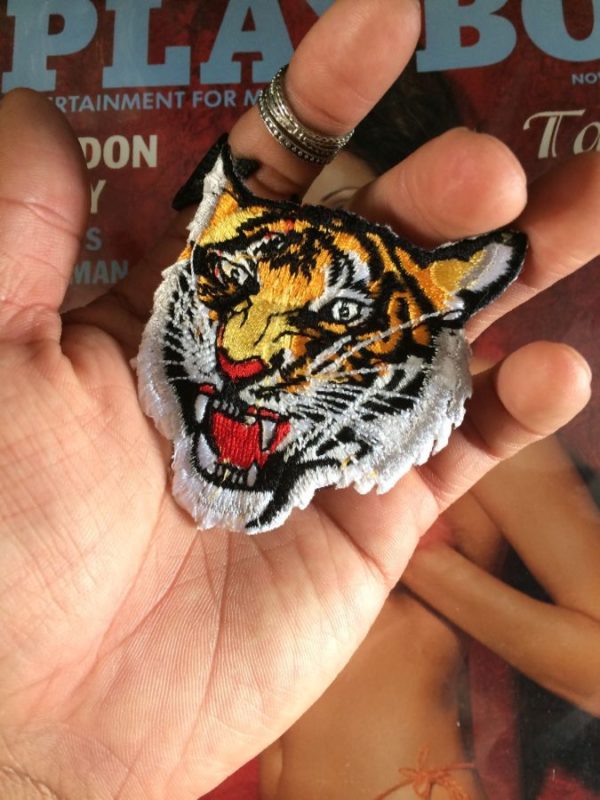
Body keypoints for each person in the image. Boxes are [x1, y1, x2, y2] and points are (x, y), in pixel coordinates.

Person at [0, 3, 598, 800]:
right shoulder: (179, 386)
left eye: (339, 246)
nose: (277, 322)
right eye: (278, 241)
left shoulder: (460, 411)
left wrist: (430, 570)